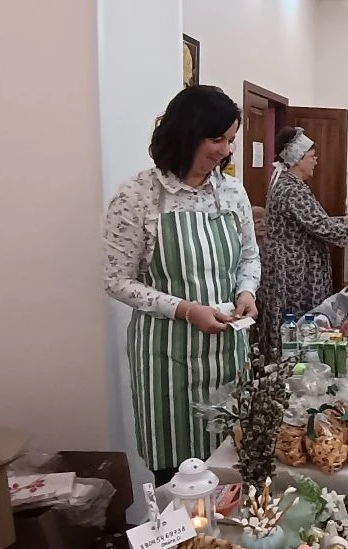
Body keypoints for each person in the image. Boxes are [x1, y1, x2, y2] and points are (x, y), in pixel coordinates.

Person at [102, 86, 259, 485]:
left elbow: (249, 256)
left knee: (233, 470)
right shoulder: (138, 195)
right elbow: (117, 280)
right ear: (186, 133)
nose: (226, 151)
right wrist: (186, 310)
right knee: (178, 479)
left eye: (231, 140)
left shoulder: (232, 192)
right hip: (167, 361)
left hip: (227, 355)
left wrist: (246, 291)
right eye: (217, 139)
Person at [257, 126, 348, 352]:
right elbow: (324, 229)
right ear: (298, 159)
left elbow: (315, 222)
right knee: (296, 325)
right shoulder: (291, 189)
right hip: (292, 272)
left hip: (294, 266)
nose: (316, 160)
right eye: (311, 156)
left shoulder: (290, 185)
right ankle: (290, 364)